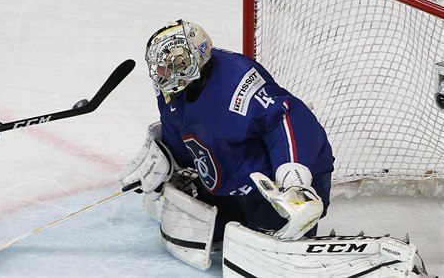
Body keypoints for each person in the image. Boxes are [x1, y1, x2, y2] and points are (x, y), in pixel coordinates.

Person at [118, 19, 334, 270]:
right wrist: (163, 159)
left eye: (166, 67)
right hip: (228, 185)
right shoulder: (173, 91)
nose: (160, 74)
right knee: (190, 231)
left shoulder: (238, 83)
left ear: (186, 64)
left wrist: (295, 179)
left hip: (274, 190)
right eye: (158, 67)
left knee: (267, 259)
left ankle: (294, 211)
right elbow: (183, 137)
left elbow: (286, 118)